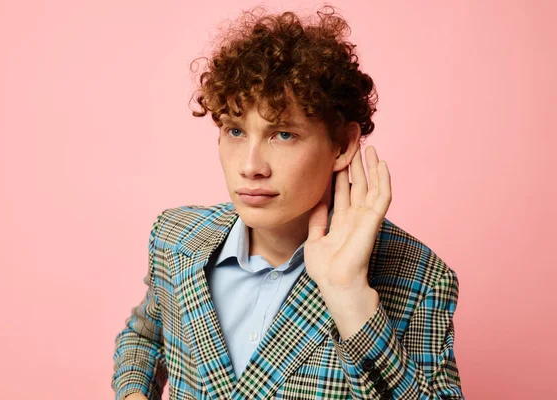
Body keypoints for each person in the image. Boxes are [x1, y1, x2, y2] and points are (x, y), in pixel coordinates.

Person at [111, 5, 463, 400]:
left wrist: (348, 296)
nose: (250, 166)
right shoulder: (176, 239)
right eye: (235, 130)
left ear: (343, 145)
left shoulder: (419, 277)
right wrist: (132, 393)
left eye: (283, 135)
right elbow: (144, 335)